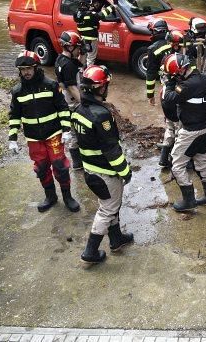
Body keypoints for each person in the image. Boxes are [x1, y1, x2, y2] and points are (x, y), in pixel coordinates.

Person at [71, 65, 134, 264]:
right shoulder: (101, 115)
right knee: (107, 210)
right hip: (105, 173)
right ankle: (90, 251)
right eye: (105, 85)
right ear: (99, 88)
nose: (107, 88)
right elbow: (111, 149)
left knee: (110, 205)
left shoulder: (79, 110)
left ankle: (116, 240)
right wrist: (125, 171)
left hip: (91, 170)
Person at [7, 51, 79, 213]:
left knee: (60, 165)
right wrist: (12, 138)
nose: (26, 72)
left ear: (35, 67)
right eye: (22, 69)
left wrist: (66, 130)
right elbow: (14, 116)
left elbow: (63, 108)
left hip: (53, 134)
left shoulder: (51, 85)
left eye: (28, 68)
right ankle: (50, 196)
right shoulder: (17, 91)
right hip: (33, 138)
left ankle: (67, 197)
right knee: (41, 167)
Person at [161, 53, 206, 212]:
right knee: (202, 162)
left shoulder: (185, 86)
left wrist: (169, 83)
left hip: (190, 132)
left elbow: (169, 99)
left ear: (179, 71)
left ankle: (189, 200)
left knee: (177, 165)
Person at [55, 31, 85, 170]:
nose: (79, 49)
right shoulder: (68, 65)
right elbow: (72, 87)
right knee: (76, 132)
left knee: (75, 131)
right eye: (77, 47)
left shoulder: (61, 60)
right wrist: (84, 103)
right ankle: (78, 163)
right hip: (73, 104)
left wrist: (83, 52)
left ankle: (78, 161)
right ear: (70, 47)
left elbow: (81, 65)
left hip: (67, 102)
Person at [155, 29, 185, 168]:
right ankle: (177, 160)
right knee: (179, 130)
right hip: (173, 96)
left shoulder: (166, 58)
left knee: (169, 127)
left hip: (165, 94)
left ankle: (163, 158)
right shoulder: (175, 60)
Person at [74, 0, 114, 66]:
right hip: (91, 39)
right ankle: (89, 74)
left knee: (83, 55)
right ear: (85, 4)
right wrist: (112, 7)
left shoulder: (76, 13)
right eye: (89, 4)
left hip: (82, 38)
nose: (91, 5)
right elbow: (101, 15)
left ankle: (80, 70)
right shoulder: (90, 15)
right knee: (91, 57)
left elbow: (89, 15)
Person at [144, 18, 171, 106]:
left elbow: (150, 74)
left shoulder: (152, 49)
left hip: (168, 84)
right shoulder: (175, 41)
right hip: (184, 83)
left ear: (155, 32)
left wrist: (150, 95)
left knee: (168, 109)